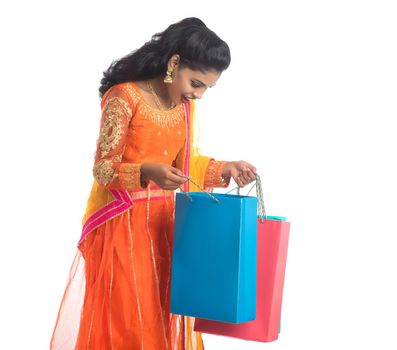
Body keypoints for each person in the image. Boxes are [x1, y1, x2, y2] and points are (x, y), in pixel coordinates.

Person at [49, 17, 257, 350]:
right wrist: (146, 172)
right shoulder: (124, 97)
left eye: (207, 88)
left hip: (167, 227)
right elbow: (103, 169)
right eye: (196, 83)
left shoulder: (184, 107)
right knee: (129, 317)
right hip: (122, 224)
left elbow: (184, 166)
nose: (199, 95)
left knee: (163, 314)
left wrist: (225, 168)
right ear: (174, 63)